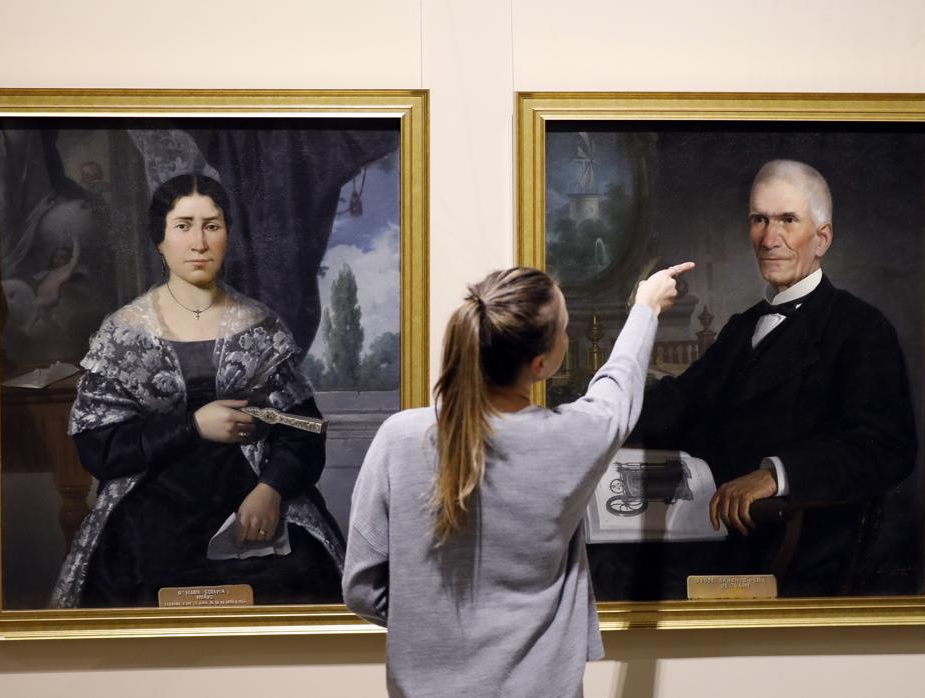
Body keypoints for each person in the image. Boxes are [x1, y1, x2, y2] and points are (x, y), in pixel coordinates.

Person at [343, 263, 692, 697]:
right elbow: (617, 390)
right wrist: (645, 307)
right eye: (565, 329)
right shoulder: (571, 438)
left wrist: (430, 625)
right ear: (541, 363)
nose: (567, 336)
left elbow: (360, 588)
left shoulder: (399, 437)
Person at [50, 173, 344, 608]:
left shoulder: (260, 324)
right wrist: (193, 427)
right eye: (183, 226)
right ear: (160, 240)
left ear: (228, 235)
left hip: (251, 510)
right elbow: (100, 448)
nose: (199, 242)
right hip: (149, 517)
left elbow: (303, 428)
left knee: (302, 584)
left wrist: (270, 490)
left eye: (212, 225)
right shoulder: (123, 332)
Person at [635, 159, 917, 596]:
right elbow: (682, 400)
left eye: (788, 220)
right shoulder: (742, 326)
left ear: (822, 238)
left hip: (798, 549)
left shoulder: (861, 329)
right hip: (714, 537)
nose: (770, 239)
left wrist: (777, 474)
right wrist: (600, 418)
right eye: (759, 220)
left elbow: (885, 447)